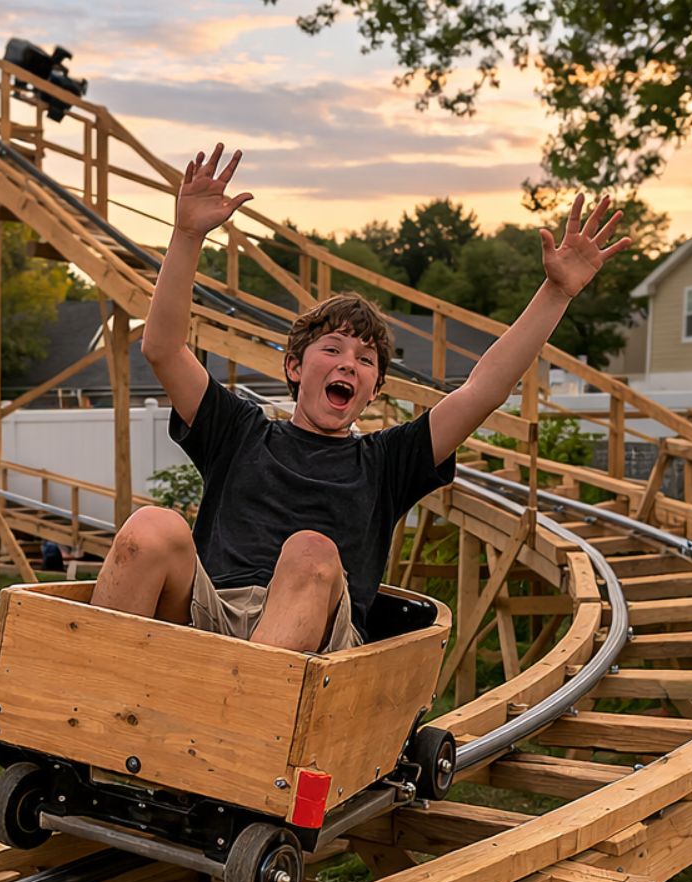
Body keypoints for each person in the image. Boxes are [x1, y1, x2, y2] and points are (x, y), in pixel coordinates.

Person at [90, 142, 630, 653]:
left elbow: (483, 390)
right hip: (212, 613)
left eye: (366, 359)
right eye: (332, 349)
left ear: (374, 391)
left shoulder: (386, 461)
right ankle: (86, 693)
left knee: (310, 550)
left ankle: (246, 703)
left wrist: (556, 292)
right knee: (152, 526)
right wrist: (187, 235)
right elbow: (163, 348)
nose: (349, 362)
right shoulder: (239, 432)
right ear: (294, 367)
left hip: (319, 636)